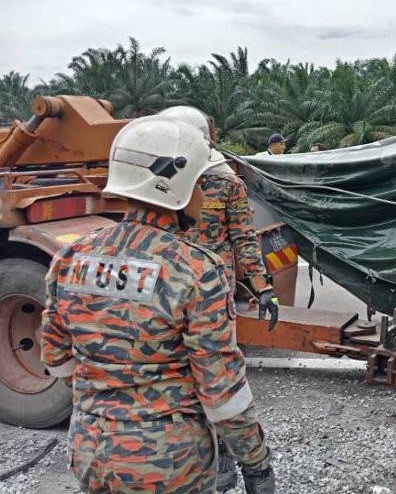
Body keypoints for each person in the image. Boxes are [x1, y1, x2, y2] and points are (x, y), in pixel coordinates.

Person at [40, 117, 275, 494]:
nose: (204, 193)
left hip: (90, 453)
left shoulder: (71, 257)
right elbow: (221, 390)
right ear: (179, 185)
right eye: (200, 182)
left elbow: (54, 357)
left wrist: (106, 394)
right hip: (169, 464)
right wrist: (256, 461)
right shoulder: (195, 269)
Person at [159, 105, 278, 491]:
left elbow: (244, 238)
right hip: (171, 296)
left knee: (221, 380)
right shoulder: (162, 180)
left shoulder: (226, 183)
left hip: (214, 295)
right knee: (181, 377)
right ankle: (206, 457)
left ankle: (234, 459)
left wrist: (262, 287)